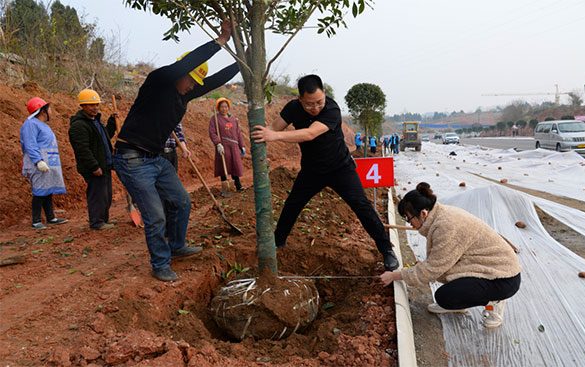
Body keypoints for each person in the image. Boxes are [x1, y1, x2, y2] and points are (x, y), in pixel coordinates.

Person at [112, 19, 239, 282]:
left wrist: (244, 61)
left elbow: (214, 81)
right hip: (131, 158)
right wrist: (221, 40)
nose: (194, 86)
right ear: (180, 73)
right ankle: (160, 264)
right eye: (191, 80)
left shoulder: (184, 94)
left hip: (156, 158)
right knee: (155, 215)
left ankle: (177, 246)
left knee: (182, 201)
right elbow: (189, 61)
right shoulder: (157, 81)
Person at [251, 74, 399, 271]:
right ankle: (278, 242)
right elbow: (272, 128)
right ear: (299, 99)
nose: (315, 108)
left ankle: (386, 250)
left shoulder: (331, 108)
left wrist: (275, 136)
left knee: (362, 206)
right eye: (309, 104)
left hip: (341, 168)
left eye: (319, 102)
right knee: (292, 205)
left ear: (325, 95)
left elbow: (309, 133)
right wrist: (264, 141)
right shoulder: (292, 109)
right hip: (312, 171)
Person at [380, 182, 522, 328]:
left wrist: (395, 275)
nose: (409, 224)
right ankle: (459, 302)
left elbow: (432, 268)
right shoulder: (439, 216)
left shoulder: (446, 226)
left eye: (409, 218)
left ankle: (494, 302)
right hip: (488, 267)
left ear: (423, 213)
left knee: (444, 296)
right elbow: (438, 263)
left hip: (503, 279)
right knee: (445, 271)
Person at [68, 89, 117, 230]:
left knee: (106, 195)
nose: (95, 107)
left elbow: (105, 136)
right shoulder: (79, 126)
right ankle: (96, 222)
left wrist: (112, 121)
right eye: (91, 105)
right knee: (97, 195)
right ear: (82, 106)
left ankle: (104, 219)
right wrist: (94, 166)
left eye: (96, 104)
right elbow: (82, 149)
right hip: (94, 168)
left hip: (105, 164)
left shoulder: (97, 122)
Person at [20, 97, 69, 230]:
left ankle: (51, 217)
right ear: (42, 111)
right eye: (49, 109)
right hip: (39, 162)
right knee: (39, 191)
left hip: (49, 161)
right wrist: (38, 161)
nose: (51, 112)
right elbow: (30, 144)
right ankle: (36, 221)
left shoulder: (43, 125)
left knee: (47, 190)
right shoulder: (30, 124)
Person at [209, 97, 246, 194]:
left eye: (226, 107)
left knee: (235, 166)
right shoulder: (215, 119)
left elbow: (238, 133)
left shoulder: (234, 119)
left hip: (234, 146)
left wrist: (242, 145)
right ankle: (225, 189)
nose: (224, 109)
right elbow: (212, 132)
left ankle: (238, 186)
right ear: (218, 108)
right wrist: (218, 143)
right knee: (223, 166)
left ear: (228, 107)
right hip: (223, 146)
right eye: (222, 107)